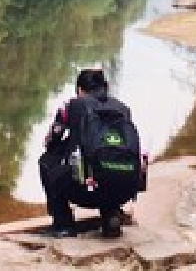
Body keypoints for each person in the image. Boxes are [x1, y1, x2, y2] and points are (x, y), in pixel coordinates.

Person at [37, 68, 142, 239]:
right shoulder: (123, 109)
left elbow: (51, 143)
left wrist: (65, 144)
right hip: (125, 190)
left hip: (86, 192)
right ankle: (111, 218)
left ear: (79, 89)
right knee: (109, 164)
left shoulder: (70, 106)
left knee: (46, 162)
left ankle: (64, 226)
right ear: (105, 87)